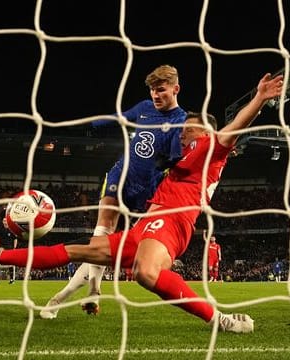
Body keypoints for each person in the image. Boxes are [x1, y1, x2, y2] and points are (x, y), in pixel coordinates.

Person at [0, 72, 284, 332]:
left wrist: (259, 99)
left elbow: (234, 129)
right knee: (76, 250)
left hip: (172, 222)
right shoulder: (181, 159)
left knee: (145, 272)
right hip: (145, 227)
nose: (179, 135)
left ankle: (221, 320)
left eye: (185, 130)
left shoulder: (209, 148)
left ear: (204, 130)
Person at [39, 64, 186, 319]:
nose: (155, 95)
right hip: (121, 173)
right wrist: (93, 123)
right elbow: (120, 117)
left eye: (161, 90)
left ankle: (79, 293)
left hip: (147, 188)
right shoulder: (144, 108)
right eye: (152, 90)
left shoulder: (180, 121)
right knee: (102, 232)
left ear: (176, 89)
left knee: (106, 247)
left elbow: (174, 160)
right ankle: (79, 294)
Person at [0, 217, 18, 284]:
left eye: (6, 220)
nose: (5, 222)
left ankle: (11, 279)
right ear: (2, 222)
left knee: (10, 264)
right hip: (1, 248)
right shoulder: (0, 229)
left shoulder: (12, 229)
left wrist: (14, 247)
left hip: (10, 248)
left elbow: (15, 239)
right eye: (4, 220)